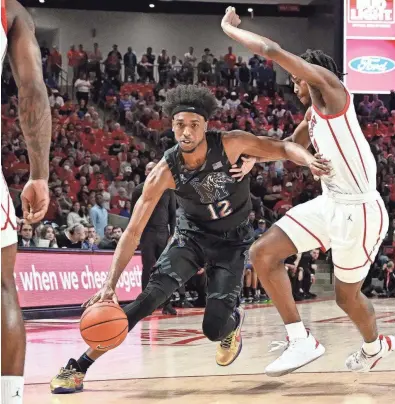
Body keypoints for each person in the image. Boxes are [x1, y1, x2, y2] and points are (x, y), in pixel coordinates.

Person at [49, 84, 329, 394]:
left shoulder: (232, 144)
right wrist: (109, 284)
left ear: (206, 126)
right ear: (172, 125)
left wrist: (308, 160)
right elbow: (132, 232)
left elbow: (283, 147)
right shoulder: (165, 171)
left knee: (213, 329)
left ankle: (231, 324)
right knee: (148, 299)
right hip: (191, 238)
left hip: (231, 243)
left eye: (194, 124)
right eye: (180, 124)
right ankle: (79, 365)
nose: (187, 131)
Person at [221, 6, 395, 376]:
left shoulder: (332, 92)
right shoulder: (312, 116)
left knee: (346, 298)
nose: (293, 84)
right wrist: (256, 160)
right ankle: (300, 339)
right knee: (263, 253)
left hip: (360, 212)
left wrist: (229, 29)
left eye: (296, 78)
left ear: (312, 74)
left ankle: (374, 346)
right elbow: (287, 145)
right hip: (330, 203)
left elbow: (270, 51)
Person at [1, 1, 51, 403]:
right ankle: (10, 397)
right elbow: (32, 90)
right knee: (2, 287)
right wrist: (39, 174)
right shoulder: (10, 10)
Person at [130, 161, 177, 315]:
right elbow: (133, 216)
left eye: (153, 168)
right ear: (145, 172)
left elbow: (172, 214)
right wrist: (135, 235)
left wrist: (173, 233)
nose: (151, 171)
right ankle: (145, 304)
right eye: (148, 168)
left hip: (164, 233)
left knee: (165, 269)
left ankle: (167, 303)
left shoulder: (168, 189)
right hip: (147, 233)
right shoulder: (138, 190)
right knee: (148, 267)